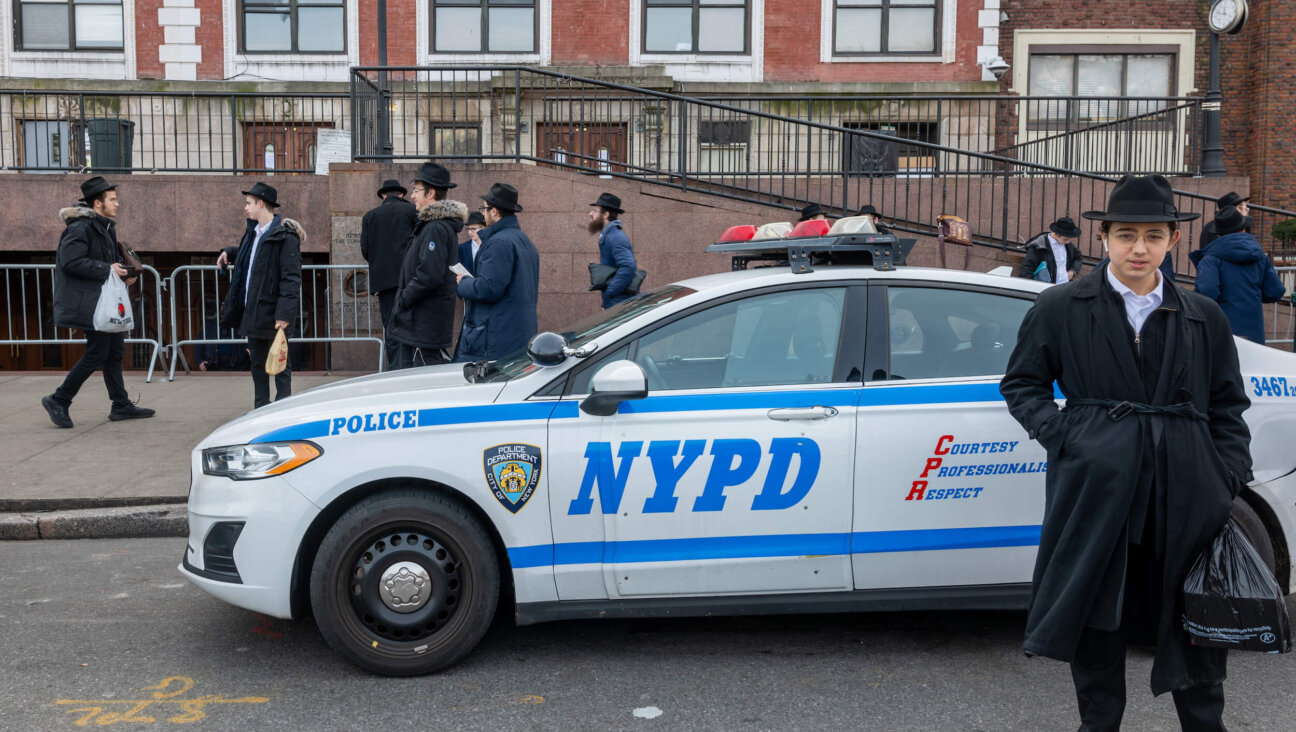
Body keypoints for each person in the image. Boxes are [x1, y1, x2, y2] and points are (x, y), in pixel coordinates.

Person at [1000, 174, 1253, 732]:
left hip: (1187, 492)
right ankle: (1098, 724)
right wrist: (1068, 439)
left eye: (1154, 236)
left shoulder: (1203, 315)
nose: (1140, 248)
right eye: (1127, 235)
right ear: (1107, 238)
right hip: (1098, 489)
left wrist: (1227, 474)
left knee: (1196, 614)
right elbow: (1023, 385)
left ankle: (1205, 724)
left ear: (1172, 242)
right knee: (1097, 614)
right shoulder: (1063, 306)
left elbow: (1228, 405)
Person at [42, 176, 156, 428]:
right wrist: (108, 269)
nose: (117, 204)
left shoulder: (104, 227)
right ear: (97, 203)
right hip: (90, 303)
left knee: (114, 352)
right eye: (112, 200)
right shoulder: (80, 228)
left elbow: (108, 262)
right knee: (97, 353)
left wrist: (122, 273)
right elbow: (70, 261)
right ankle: (59, 399)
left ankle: (120, 404)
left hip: (102, 300)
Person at [216, 182, 303, 409]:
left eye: (248, 203)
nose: (245, 208)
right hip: (253, 310)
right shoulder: (253, 232)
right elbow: (251, 256)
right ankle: (261, 408)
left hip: (274, 314)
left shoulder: (285, 236)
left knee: (281, 364)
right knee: (257, 364)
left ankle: (282, 409)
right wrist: (229, 252)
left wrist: (284, 315)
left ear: (261, 204)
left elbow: (291, 279)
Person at [388, 163, 464, 369]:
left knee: (421, 385)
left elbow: (429, 274)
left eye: (416, 190)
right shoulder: (431, 225)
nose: (412, 196)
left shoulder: (436, 228)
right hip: (420, 324)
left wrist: (403, 299)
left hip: (422, 324)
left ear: (430, 193)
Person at [455, 183, 540, 362]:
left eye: (484, 209)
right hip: (514, 333)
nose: (483, 213)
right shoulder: (522, 240)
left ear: (494, 212)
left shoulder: (499, 242)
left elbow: (487, 288)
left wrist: (463, 283)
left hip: (496, 337)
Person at [1191, 205, 1287, 345]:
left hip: (1222, 330)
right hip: (1254, 331)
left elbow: (1206, 293)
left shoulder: (1210, 259)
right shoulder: (1260, 256)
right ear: (1243, 229)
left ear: (1218, 234)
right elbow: (1276, 291)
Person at [360, 178, 418, 366]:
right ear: (401, 195)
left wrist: (380, 265)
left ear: (384, 195)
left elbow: (365, 249)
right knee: (410, 326)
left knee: (391, 328)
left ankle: (396, 370)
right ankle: (411, 368)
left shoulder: (370, 216)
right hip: (410, 279)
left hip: (383, 282)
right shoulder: (412, 211)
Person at [589, 192, 638, 309]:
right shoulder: (610, 235)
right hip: (615, 303)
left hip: (619, 305)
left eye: (595, 211)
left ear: (606, 214)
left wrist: (610, 290)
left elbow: (629, 266)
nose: (590, 214)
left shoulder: (615, 237)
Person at [1017, 216, 1083, 284]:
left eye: (1069, 239)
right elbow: (1026, 269)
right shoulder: (1038, 247)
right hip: (1046, 289)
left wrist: (1073, 271)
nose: (1068, 242)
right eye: (1065, 239)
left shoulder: (1068, 245)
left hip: (1064, 288)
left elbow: (1078, 257)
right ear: (1057, 234)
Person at [457, 211, 487, 277]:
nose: (470, 232)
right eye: (468, 229)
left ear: (484, 228)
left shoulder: (491, 245)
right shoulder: (462, 248)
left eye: (473, 229)